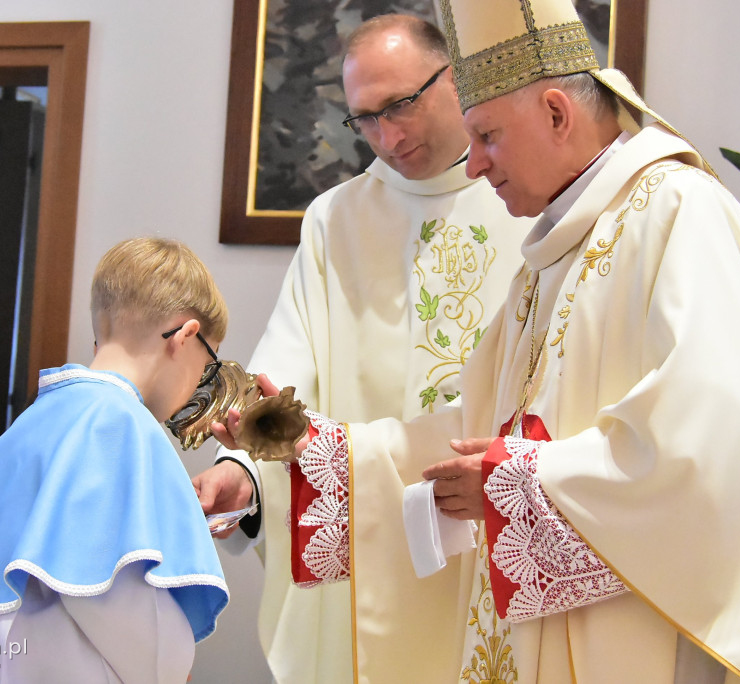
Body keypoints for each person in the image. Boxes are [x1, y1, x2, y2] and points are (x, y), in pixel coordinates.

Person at [216, 0, 740, 681]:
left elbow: (713, 449)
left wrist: (516, 484)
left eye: (488, 136)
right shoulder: (553, 254)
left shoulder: (679, 215)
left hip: (638, 640)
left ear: (558, 114)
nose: (475, 165)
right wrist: (325, 453)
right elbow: (480, 424)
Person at [191, 13, 533, 683]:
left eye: (401, 104)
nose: (388, 136)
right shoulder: (336, 219)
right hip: (373, 542)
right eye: (366, 119)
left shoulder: (526, 201)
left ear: (456, 76)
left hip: (495, 525)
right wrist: (246, 469)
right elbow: (289, 370)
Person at [0, 237, 230, 682]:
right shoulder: (119, 422)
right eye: (208, 365)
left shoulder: (44, 413)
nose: (200, 383)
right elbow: (112, 597)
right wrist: (174, 662)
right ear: (186, 336)